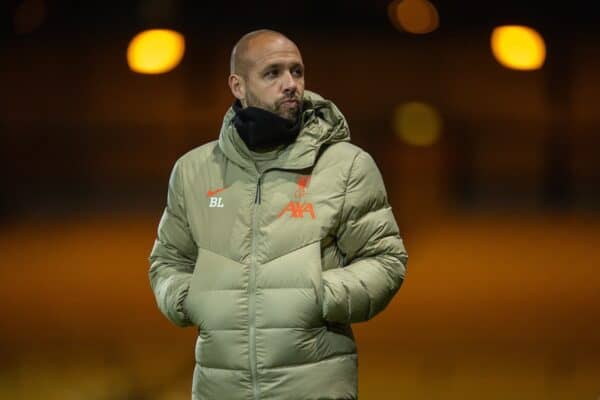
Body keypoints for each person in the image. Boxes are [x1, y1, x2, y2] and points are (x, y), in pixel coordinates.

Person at [148, 29, 408, 400]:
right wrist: (189, 299)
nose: (290, 84)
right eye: (273, 73)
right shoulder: (193, 171)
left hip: (315, 387)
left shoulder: (346, 166)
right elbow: (168, 260)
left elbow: (386, 259)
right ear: (238, 86)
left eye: (297, 72)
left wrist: (319, 296)